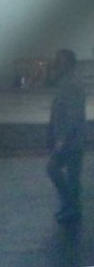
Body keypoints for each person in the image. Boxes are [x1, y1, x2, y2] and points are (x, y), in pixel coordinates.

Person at [46, 49, 86, 224]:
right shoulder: (66, 83)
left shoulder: (72, 84)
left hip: (71, 140)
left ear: (69, 63)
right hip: (68, 139)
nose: (57, 64)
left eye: (60, 61)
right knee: (67, 174)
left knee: (63, 172)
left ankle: (72, 208)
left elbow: (74, 115)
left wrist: (62, 139)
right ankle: (70, 206)